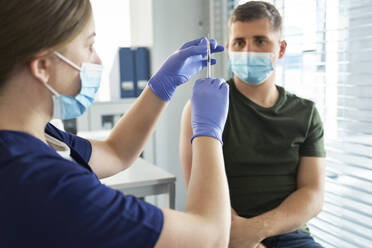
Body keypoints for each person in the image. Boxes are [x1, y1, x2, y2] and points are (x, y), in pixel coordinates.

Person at [0, 1, 232, 247]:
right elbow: (211, 237)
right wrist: (208, 132)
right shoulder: (48, 185)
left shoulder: (39, 136)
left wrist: (162, 85)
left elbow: (116, 152)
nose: (97, 61)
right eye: (89, 46)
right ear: (42, 66)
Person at [179, 1, 326, 248]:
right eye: (239, 42)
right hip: (224, 233)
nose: (248, 50)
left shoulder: (306, 113)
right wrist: (238, 235)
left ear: (280, 49)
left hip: (291, 236)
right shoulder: (204, 108)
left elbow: (312, 194)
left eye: (260, 41)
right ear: (228, 48)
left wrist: (255, 231)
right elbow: (199, 192)